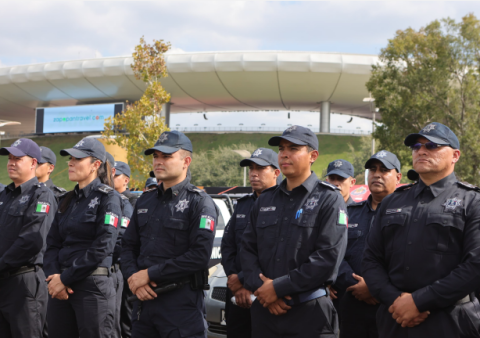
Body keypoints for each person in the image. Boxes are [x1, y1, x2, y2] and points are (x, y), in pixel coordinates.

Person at [363, 122, 480, 337]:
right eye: (417, 146)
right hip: (395, 318)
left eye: (433, 145)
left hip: (450, 320)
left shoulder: (472, 201)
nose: (422, 151)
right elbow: (371, 259)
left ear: (455, 155)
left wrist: (419, 301)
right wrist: (396, 300)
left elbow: (474, 266)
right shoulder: (392, 202)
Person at [241, 125, 348, 338]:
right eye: (282, 149)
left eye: (294, 148)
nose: (285, 154)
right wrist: (264, 291)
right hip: (265, 314)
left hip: (309, 315)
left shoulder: (329, 199)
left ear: (312, 156)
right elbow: (247, 249)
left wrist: (278, 288)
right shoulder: (265, 200)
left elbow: (327, 259)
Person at [121, 130, 218, 338]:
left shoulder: (199, 202)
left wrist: (149, 274)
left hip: (181, 307)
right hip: (143, 305)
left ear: (186, 161)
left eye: (166, 156)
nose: (158, 161)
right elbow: (128, 246)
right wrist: (133, 279)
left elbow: (199, 256)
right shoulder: (144, 201)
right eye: (156, 156)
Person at [44, 138, 122, 338]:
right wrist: (54, 278)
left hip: (92, 287)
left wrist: (65, 278)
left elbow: (103, 246)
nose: (70, 162)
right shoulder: (67, 200)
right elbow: (52, 243)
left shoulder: (108, 198)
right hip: (60, 288)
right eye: (70, 158)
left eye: (77, 158)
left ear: (96, 165)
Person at [333, 150, 401, 338]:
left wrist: (375, 287)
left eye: (384, 170)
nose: (377, 174)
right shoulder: (349, 212)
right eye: (372, 169)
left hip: (391, 305)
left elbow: (409, 258)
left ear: (398, 177)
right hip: (352, 301)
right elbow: (335, 252)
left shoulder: (408, 214)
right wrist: (356, 285)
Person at [221, 147, 281, 338]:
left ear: (276, 172)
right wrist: (234, 280)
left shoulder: (284, 204)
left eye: (261, 168)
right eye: (251, 168)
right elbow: (228, 245)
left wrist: (245, 281)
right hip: (237, 296)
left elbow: (274, 252)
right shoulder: (243, 204)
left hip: (267, 294)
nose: (254, 173)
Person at [0, 138, 57, 337]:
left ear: (33, 163)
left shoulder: (41, 195)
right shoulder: (4, 195)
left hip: (24, 282)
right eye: (9, 158)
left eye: (17, 158)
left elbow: (32, 240)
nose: (11, 163)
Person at [106, 152, 134, 338]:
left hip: (122, 267)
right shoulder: (105, 199)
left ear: (126, 180)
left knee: (126, 318)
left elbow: (121, 239)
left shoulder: (130, 201)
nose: (111, 177)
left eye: (115, 175)